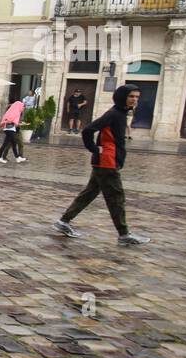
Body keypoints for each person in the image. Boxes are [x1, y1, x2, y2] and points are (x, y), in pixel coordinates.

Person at [54, 83, 149, 246]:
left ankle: (63, 222)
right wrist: (94, 149)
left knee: (88, 194)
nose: (134, 100)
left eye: (137, 97)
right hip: (107, 163)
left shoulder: (120, 113)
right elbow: (88, 130)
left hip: (107, 161)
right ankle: (124, 234)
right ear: (122, 97)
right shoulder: (114, 114)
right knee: (116, 198)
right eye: (131, 96)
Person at [0, 100, 27, 164]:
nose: (23, 108)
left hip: (11, 130)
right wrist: (17, 123)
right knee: (6, 145)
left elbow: (12, 120)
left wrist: (15, 122)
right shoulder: (15, 112)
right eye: (23, 107)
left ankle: (17, 158)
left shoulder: (15, 111)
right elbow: (10, 121)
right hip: (9, 130)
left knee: (13, 144)